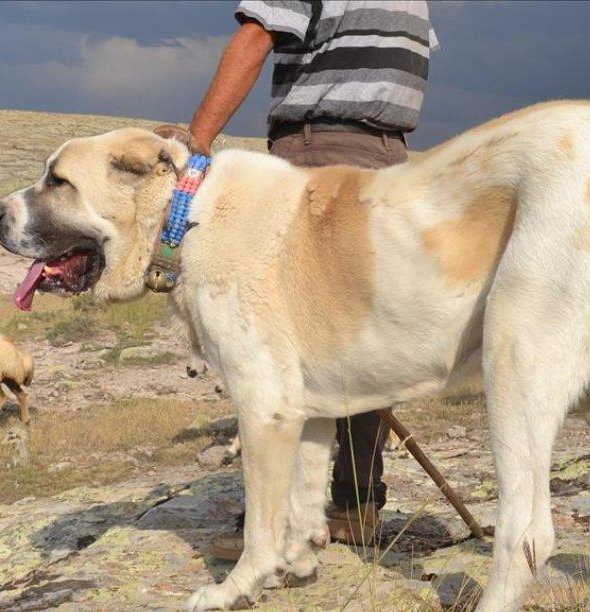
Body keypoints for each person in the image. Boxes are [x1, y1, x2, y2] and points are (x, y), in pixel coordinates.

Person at [187, 1, 439, 560]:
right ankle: (356, 506)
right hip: (390, 156)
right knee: (360, 336)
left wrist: (197, 141)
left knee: (278, 341)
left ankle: (273, 524)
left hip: (316, 150)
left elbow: (256, 37)